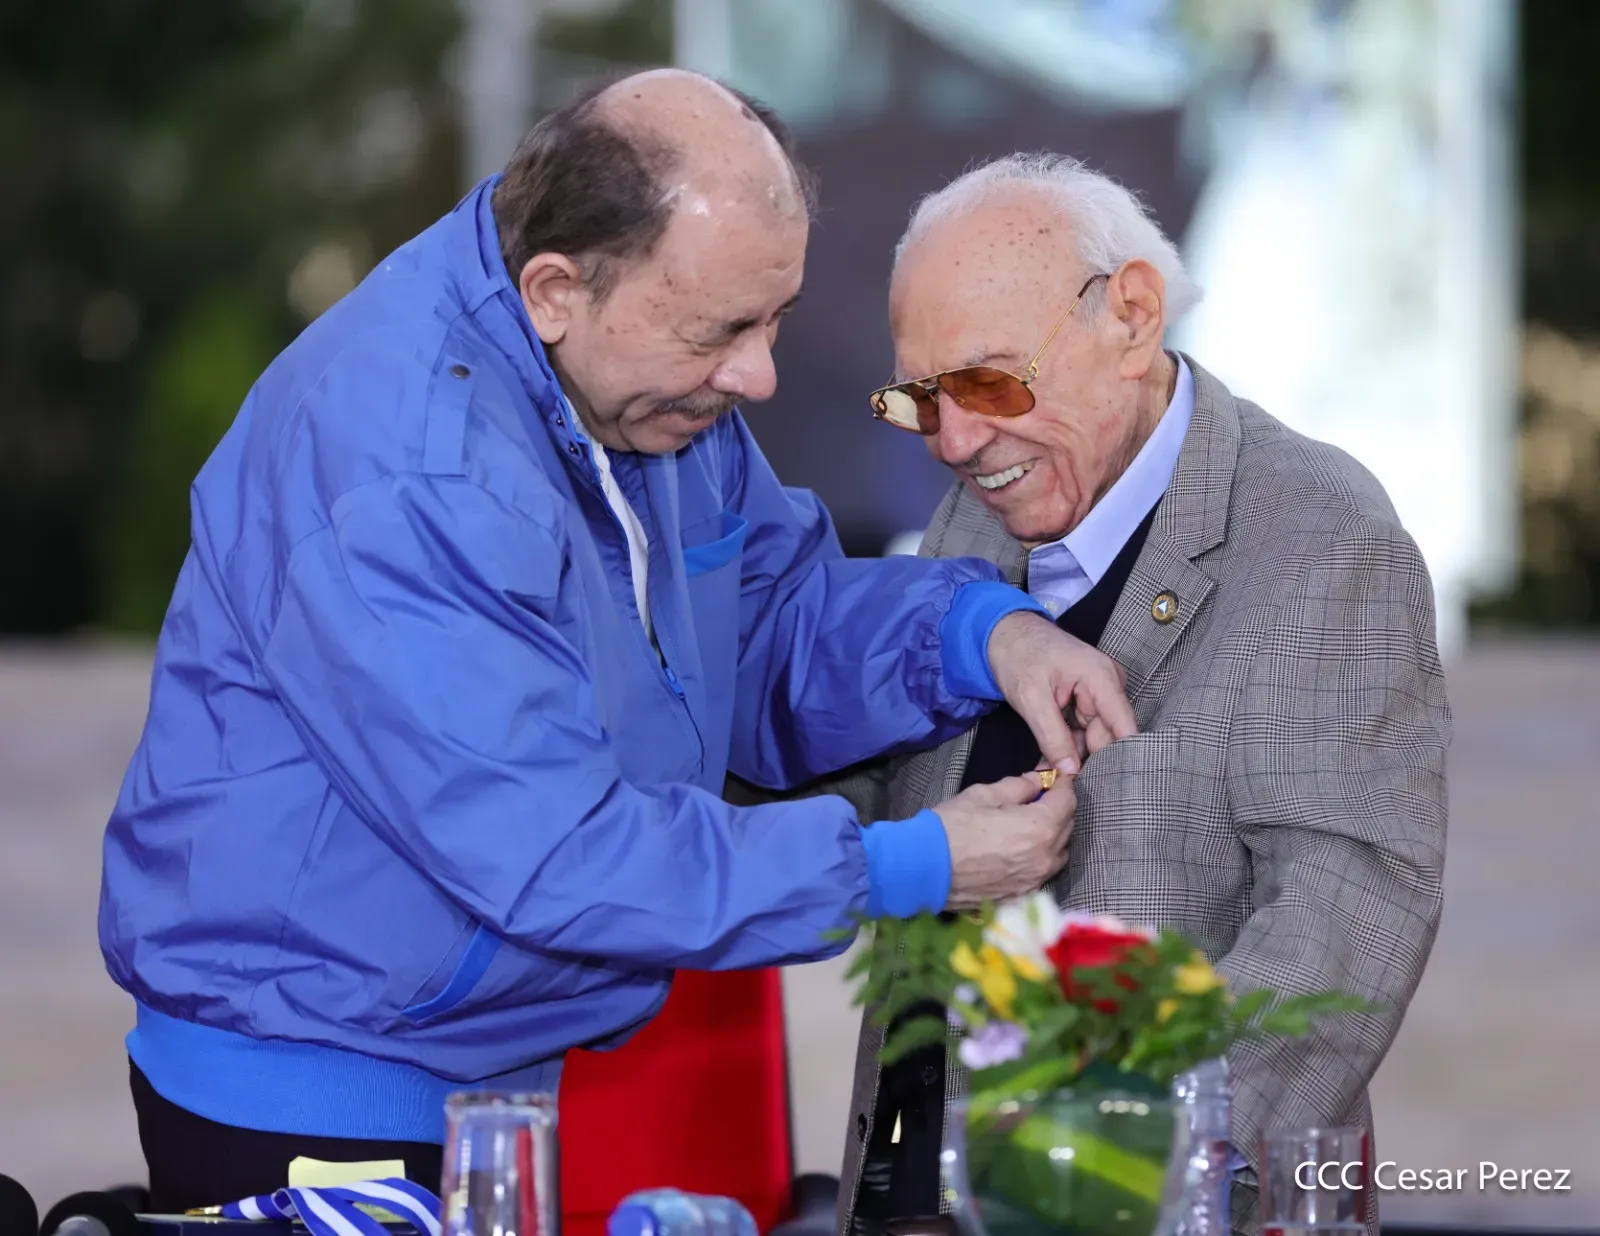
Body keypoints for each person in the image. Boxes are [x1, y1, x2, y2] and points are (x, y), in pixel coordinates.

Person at [97, 76, 1138, 1211]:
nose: (757, 376)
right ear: (554, 289)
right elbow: (554, 856)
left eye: (772, 317)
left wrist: (983, 637)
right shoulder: (405, 471)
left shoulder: (634, 388)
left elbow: (770, 631)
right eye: (721, 331)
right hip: (311, 1101)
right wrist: (910, 863)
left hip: (484, 1070)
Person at [827, 154, 1450, 1236]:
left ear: (1131, 314)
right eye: (920, 399)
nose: (957, 441)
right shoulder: (978, 514)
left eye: (985, 381)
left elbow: (1344, 934)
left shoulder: (1322, 539)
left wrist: (1108, 1178)